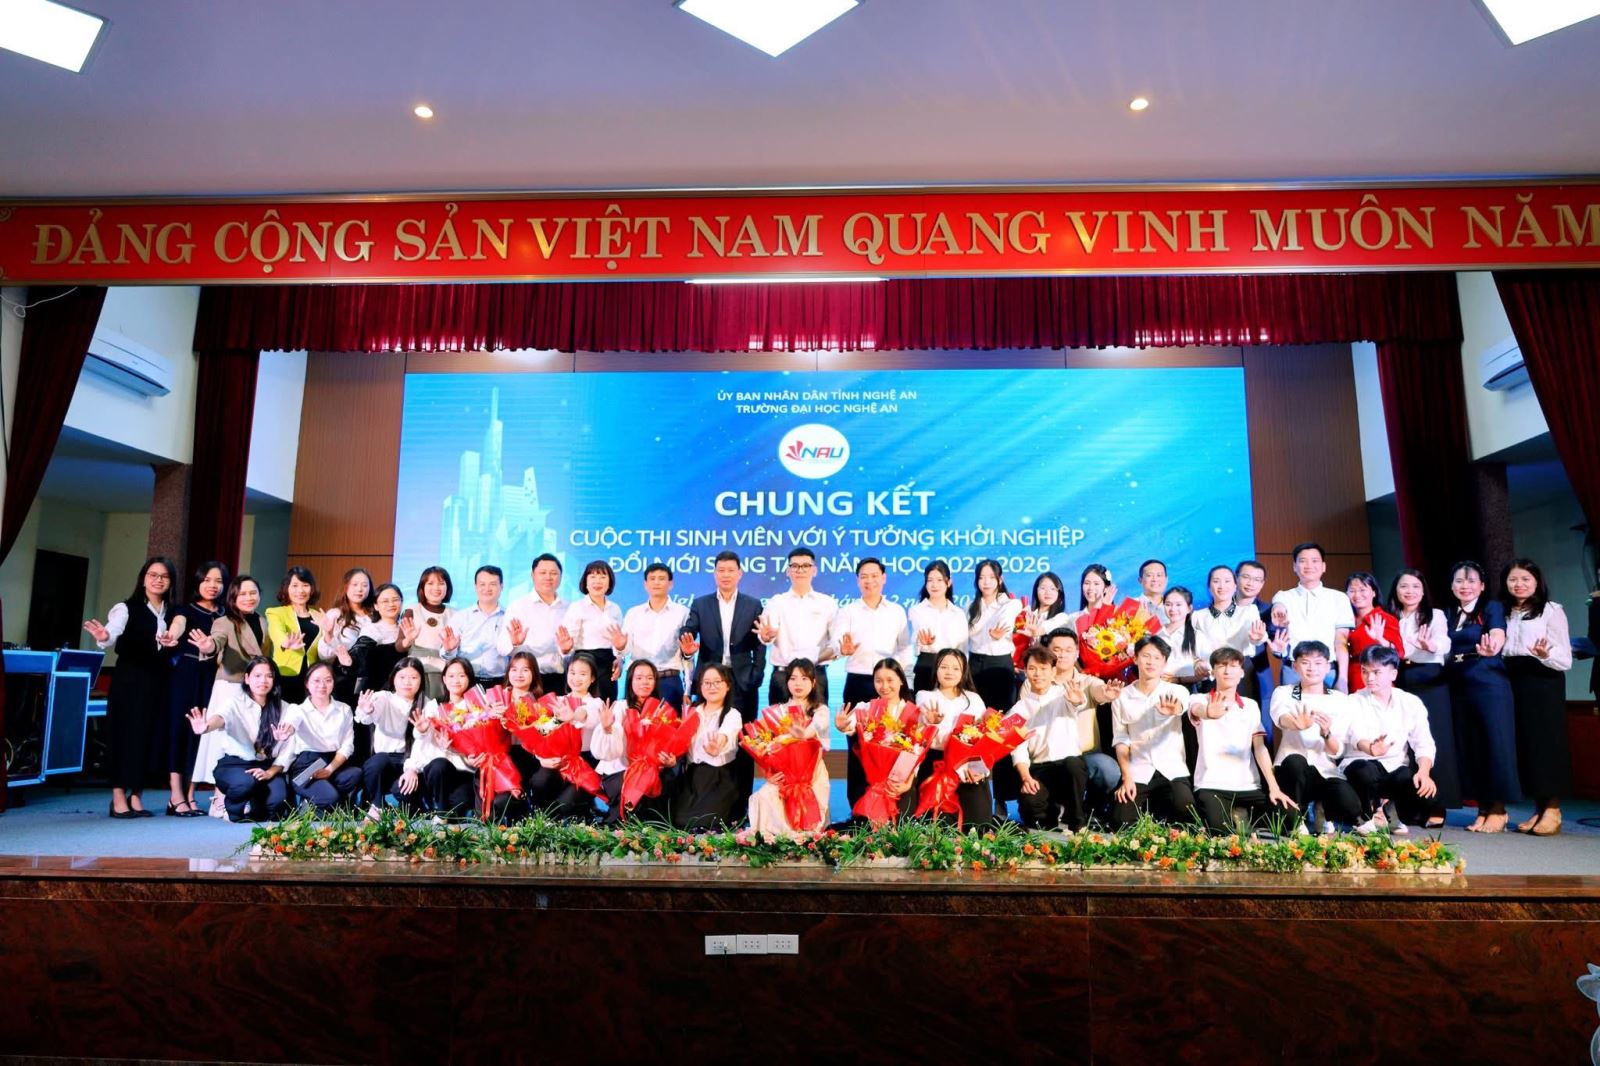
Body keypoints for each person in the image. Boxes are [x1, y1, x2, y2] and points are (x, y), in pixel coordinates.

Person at [84, 556, 181, 818]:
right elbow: (112, 632)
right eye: (153, 575)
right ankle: (118, 797)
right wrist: (105, 636)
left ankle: (137, 796)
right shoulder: (126, 608)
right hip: (130, 682)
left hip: (158, 682)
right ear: (143, 578)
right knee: (124, 736)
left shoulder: (172, 612)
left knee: (149, 737)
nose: (158, 580)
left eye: (164, 576)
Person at [679, 551, 765, 816]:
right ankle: (707, 804)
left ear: (740, 573)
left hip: (743, 682)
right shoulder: (701, 604)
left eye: (731, 570)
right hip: (711, 682)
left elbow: (760, 643)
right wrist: (687, 645)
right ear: (714, 574)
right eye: (721, 570)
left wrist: (756, 674)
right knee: (707, 739)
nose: (726, 575)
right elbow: (688, 630)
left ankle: (741, 808)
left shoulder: (753, 604)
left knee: (744, 743)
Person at [1444, 560, 1519, 833]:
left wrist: (1493, 645)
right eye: (1459, 581)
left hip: (1488, 682)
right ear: (1452, 586)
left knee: (1494, 744)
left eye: (1471, 580)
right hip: (1458, 684)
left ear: (1482, 586)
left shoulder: (1491, 608)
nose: (1465, 586)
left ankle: (1498, 808)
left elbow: (1497, 633)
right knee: (1472, 746)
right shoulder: (1448, 614)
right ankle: (1483, 808)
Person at [1190, 646, 1296, 834]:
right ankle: (1238, 819)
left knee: (1291, 816)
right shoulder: (1199, 699)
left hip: (1248, 784)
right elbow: (1196, 710)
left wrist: (1274, 787)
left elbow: (1260, 748)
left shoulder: (1250, 706)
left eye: (1233, 666)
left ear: (1241, 673)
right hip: (1211, 784)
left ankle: (1243, 817)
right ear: (1213, 672)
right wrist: (1208, 712)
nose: (1227, 670)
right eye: (1221, 666)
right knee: (1221, 834)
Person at [1502, 557, 1573, 836]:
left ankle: (1553, 808)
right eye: (1513, 580)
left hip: (1543, 678)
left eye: (1525, 579)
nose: (1519, 584)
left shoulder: (1551, 611)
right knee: (1527, 745)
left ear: (1536, 582)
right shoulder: (1504, 612)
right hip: (1512, 678)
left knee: (1547, 743)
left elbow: (1565, 658)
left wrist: (1546, 654)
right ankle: (1539, 807)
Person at [187, 574, 269, 811]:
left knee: (247, 743)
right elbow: (216, 641)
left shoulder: (262, 621)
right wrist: (208, 646)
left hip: (253, 690)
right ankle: (219, 798)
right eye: (242, 593)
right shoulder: (225, 621)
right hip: (230, 687)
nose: (249, 597)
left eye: (253, 593)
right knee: (222, 743)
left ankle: (238, 796)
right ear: (233, 597)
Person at [1387, 568, 1459, 828]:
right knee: (1404, 741)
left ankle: (1438, 804)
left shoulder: (1434, 615)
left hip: (1429, 678)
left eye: (1416, 586)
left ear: (1423, 590)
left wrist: (1431, 646)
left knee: (1434, 739)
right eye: (1404, 586)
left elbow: (1444, 644)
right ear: (1396, 590)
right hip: (1399, 678)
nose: (1410, 591)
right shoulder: (1389, 617)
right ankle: (1412, 805)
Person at [1343, 645, 1438, 835]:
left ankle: (1391, 811)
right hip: (1360, 765)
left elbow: (1424, 742)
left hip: (1394, 767)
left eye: (1376, 672)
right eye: (1365, 671)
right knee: (1365, 771)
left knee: (1421, 789)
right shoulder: (1353, 701)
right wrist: (1370, 748)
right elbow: (1354, 735)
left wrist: (1424, 772)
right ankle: (1364, 817)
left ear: (1393, 674)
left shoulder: (1410, 702)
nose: (1369, 678)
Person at [185, 656, 293, 823]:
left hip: (266, 767)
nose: (263, 681)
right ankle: (230, 807)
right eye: (257, 676)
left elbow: (288, 749)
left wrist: (270, 772)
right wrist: (206, 727)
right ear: (247, 678)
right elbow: (220, 717)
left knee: (277, 802)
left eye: (269, 676)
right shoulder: (234, 703)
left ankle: (254, 803)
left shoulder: (285, 708)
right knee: (244, 784)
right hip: (235, 765)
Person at [1269, 641, 1362, 833]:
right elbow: (1280, 718)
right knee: (1295, 761)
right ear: (1295, 666)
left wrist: (1326, 734)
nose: (1312, 668)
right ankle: (1296, 819)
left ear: (1328, 667)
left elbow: (1338, 750)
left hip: (1325, 769)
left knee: (1351, 806)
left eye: (1318, 663)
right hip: (1292, 771)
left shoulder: (1340, 699)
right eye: (1305, 662)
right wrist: (1296, 724)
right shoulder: (1284, 692)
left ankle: (1323, 810)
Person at [1109, 636, 1195, 827]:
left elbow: (1182, 705)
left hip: (1171, 768)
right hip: (1139, 769)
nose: (1151, 662)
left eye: (1157, 658)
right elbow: (1121, 740)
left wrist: (1174, 709)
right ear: (1135, 658)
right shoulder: (1122, 696)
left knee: (1185, 811)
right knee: (1120, 821)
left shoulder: (1176, 690)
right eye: (1146, 656)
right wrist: (1126, 777)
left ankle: (1158, 813)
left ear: (1164, 663)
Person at [164, 560, 227, 816]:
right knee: (179, 731)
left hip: (212, 677)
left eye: (218, 581)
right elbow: (178, 625)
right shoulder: (185, 609)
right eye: (207, 580)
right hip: (186, 674)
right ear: (198, 582)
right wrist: (172, 634)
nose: (212, 586)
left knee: (201, 734)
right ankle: (175, 795)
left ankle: (190, 794)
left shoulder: (224, 615)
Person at [747, 658, 832, 836]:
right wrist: (767, 772)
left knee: (809, 831)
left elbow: (815, 728)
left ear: (813, 682)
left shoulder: (820, 710)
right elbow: (760, 743)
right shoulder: (777, 711)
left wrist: (803, 734)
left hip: (812, 776)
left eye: (804, 678)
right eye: (793, 678)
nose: (798, 683)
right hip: (784, 776)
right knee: (763, 798)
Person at [1012, 646, 1092, 830]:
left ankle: (1078, 822)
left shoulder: (1064, 695)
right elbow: (1018, 749)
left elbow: (1078, 704)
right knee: (1033, 810)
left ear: (1053, 671)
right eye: (1032, 668)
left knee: (1073, 765)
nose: (1038, 674)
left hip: (1068, 767)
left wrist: (1077, 700)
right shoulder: (1019, 709)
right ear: (1025, 672)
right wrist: (1026, 778)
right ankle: (1052, 812)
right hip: (1040, 768)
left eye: (1043, 668)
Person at [1044, 628, 1122, 810]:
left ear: (1077, 653)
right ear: (1048, 651)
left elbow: (1099, 691)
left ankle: (1092, 807)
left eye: (1068, 650)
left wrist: (1107, 694)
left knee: (1108, 769)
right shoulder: (1037, 681)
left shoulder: (1088, 682)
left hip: (1084, 756)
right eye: (1056, 649)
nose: (1062, 655)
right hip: (1046, 756)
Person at [966, 558, 1023, 809]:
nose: (986, 582)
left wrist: (998, 631)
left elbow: (1006, 622)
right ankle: (977, 795)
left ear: (1000, 579)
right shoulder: (971, 606)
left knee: (999, 731)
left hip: (1000, 667)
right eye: (981, 577)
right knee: (976, 729)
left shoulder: (1009, 604)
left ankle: (1001, 798)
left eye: (991, 577)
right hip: (975, 667)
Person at [916, 648, 995, 826]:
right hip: (937, 763)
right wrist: (929, 721)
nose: (949, 672)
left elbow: (985, 736)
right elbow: (921, 722)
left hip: (967, 764)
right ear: (936, 670)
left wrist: (980, 770)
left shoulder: (974, 699)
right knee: (940, 825)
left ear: (963, 672)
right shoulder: (925, 696)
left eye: (955, 668)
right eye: (944, 667)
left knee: (979, 824)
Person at [834, 658, 920, 820]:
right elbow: (850, 726)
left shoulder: (914, 712)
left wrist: (908, 783)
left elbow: (918, 752)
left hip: (901, 785)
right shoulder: (865, 707)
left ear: (901, 680)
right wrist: (842, 727)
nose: (884, 686)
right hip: (872, 784)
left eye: (890, 680)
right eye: (878, 681)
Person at [594, 659, 674, 824]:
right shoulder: (620, 707)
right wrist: (607, 729)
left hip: (650, 770)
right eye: (639, 678)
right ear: (630, 681)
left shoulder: (662, 710)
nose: (645, 682)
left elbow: (669, 744)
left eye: (650, 678)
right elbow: (610, 748)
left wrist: (670, 760)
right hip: (620, 770)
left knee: (667, 779)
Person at [396, 656, 479, 816]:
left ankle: (438, 806)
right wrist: (412, 767)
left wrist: (455, 749)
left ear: (469, 678)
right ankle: (440, 810)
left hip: (463, 772)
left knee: (458, 803)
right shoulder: (434, 706)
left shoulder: (476, 709)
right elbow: (420, 744)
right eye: (451, 676)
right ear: (444, 679)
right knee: (435, 767)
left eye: (462, 675)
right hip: (436, 771)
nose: (456, 680)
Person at [757, 547, 838, 705]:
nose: (800, 570)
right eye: (795, 566)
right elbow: (767, 633)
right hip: (783, 675)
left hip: (816, 674)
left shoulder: (827, 603)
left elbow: (836, 641)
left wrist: (830, 653)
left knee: (817, 720)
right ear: (788, 571)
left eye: (805, 566)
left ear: (814, 570)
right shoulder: (776, 602)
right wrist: (766, 637)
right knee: (779, 720)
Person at [277, 661, 362, 811]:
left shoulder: (344, 709)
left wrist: (329, 769)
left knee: (356, 774)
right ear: (307, 684)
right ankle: (319, 802)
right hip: (307, 765)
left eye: (328, 680)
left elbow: (347, 746)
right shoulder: (297, 709)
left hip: (334, 762)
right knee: (330, 797)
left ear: (333, 683)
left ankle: (320, 802)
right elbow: (291, 723)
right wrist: (286, 732)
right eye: (316, 681)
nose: (322, 685)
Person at [1269, 543, 1354, 689]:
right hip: (1293, 670)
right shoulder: (1284, 596)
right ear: (1294, 566)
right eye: (1303, 561)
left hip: (1328, 671)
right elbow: (1278, 604)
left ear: (1323, 566)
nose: (1309, 565)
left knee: (1329, 705)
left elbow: (1341, 642)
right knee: (1292, 704)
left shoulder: (1339, 598)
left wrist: (1343, 679)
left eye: (1314, 561)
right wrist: (1278, 608)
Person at [355, 657, 432, 817]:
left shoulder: (427, 704)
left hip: (412, 761)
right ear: (393, 679)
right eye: (402, 677)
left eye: (413, 677)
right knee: (376, 763)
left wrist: (412, 769)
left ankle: (410, 806)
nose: (407, 682)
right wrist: (368, 710)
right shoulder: (383, 697)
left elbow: (426, 744)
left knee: (406, 791)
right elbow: (367, 717)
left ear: (421, 681)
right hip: (385, 760)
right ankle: (377, 806)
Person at [674, 663, 743, 831]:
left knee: (705, 824)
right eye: (707, 683)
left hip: (719, 778)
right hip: (692, 777)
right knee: (679, 821)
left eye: (717, 682)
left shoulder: (732, 715)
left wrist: (716, 747)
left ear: (727, 685)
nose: (712, 687)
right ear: (700, 686)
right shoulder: (692, 712)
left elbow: (724, 735)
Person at [617, 562, 692, 711]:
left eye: (662, 578)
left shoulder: (682, 612)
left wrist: (688, 689)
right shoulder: (634, 613)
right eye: (652, 578)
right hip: (638, 682)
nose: (657, 582)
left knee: (670, 724)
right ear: (645, 584)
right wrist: (620, 646)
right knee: (633, 723)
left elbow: (687, 654)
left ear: (670, 584)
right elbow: (625, 651)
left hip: (669, 681)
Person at [1192, 564, 1268, 699]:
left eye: (1227, 581)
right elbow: (1193, 648)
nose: (1222, 586)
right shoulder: (1198, 616)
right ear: (1209, 587)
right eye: (1216, 581)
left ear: (1235, 586)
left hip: (1241, 672)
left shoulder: (1249, 611)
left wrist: (1258, 638)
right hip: (1211, 673)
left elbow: (1258, 637)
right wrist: (1196, 662)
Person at [498, 553, 568, 697]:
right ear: (532, 575)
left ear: (560, 576)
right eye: (543, 573)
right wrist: (514, 642)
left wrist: (566, 650)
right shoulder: (518, 606)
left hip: (558, 679)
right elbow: (501, 648)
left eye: (553, 573)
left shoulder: (569, 608)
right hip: (525, 682)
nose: (548, 577)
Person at [559, 559, 624, 701]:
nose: (597, 581)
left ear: (610, 582)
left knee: (607, 706)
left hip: (608, 666)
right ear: (586, 582)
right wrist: (565, 649)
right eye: (593, 577)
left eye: (602, 577)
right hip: (584, 664)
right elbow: (566, 646)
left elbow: (619, 641)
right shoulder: (577, 607)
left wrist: (620, 659)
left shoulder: (615, 609)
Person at [315, 568, 376, 704]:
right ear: (346, 587)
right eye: (355, 584)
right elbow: (324, 655)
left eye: (364, 585)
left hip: (372, 677)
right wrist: (328, 634)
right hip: (344, 678)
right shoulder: (335, 614)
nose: (359, 589)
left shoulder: (375, 615)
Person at [908, 560, 969, 693]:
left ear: (949, 582)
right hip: (926, 664)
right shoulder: (916, 611)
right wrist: (921, 643)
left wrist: (960, 671)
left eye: (939, 580)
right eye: (930, 580)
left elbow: (963, 649)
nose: (934, 585)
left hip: (950, 668)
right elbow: (912, 646)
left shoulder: (958, 613)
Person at [442, 565, 508, 687]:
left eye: (492, 584)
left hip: (500, 682)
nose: (487, 588)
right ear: (475, 587)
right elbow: (447, 656)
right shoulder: (461, 617)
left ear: (501, 586)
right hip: (467, 682)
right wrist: (449, 649)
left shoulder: (509, 617)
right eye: (482, 584)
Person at [264, 565, 320, 705]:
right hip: (285, 676)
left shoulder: (319, 616)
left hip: (313, 680)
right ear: (286, 588)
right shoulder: (276, 613)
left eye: (305, 585)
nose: (300, 590)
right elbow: (276, 632)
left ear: (312, 588)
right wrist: (285, 642)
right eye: (295, 585)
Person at [1344, 571, 1404, 693]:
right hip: (1348, 678)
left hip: (1374, 679)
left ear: (1374, 592)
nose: (1357, 595)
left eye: (1362, 590)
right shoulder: (1345, 620)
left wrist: (1381, 640)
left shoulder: (1385, 618)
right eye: (1352, 591)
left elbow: (1400, 652)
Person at [405, 566, 455, 700]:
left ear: (448, 587)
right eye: (430, 583)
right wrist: (407, 640)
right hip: (418, 671)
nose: (436, 588)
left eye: (441, 583)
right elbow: (399, 646)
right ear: (422, 587)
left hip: (444, 671)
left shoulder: (455, 613)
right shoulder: (412, 610)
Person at [1235, 559, 1277, 714]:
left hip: (1257, 674)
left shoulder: (1269, 611)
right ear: (1236, 578)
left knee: (1261, 723)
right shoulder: (1219, 607)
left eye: (1257, 579)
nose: (1251, 583)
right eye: (1246, 577)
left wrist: (1278, 649)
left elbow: (1277, 642)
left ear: (1262, 584)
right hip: (1224, 674)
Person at [1159, 586, 1200, 685]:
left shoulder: (1197, 635)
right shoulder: (1156, 633)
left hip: (1186, 686)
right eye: (1168, 604)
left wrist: (1179, 680)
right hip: (1156, 686)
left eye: (1178, 604)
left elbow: (1207, 672)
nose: (1173, 609)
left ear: (1189, 608)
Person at [1022, 571, 1073, 639]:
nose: (1048, 592)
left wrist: (1037, 631)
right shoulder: (1028, 614)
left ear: (1059, 594)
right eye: (1043, 588)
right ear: (1036, 590)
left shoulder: (1062, 618)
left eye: (1052, 589)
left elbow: (1048, 627)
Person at [1134, 559, 1170, 627]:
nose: (1155, 579)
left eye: (1159, 575)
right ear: (1140, 580)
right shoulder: (1131, 605)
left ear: (1166, 579)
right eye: (1149, 575)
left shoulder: (1175, 607)